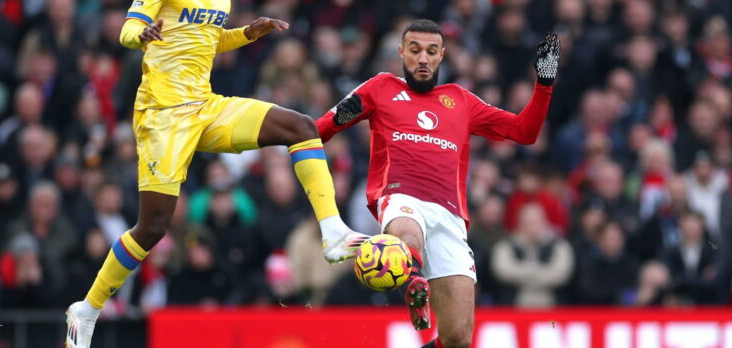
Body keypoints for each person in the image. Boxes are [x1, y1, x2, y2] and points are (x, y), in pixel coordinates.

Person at [64, 2, 368, 347]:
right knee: (152, 228)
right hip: (162, 116)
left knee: (301, 127)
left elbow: (206, 39)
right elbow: (126, 32)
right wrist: (143, 34)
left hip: (205, 106)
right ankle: (86, 310)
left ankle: (333, 231)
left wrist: (246, 35)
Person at [316, 19, 559, 348]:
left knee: (458, 338)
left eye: (431, 51)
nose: (423, 59)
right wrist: (337, 118)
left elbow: (524, 132)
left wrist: (544, 84)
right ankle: (414, 282)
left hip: (449, 215)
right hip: (399, 195)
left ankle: (417, 284)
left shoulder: (461, 100)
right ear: (402, 52)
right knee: (408, 232)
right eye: (414, 50)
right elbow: (319, 132)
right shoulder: (380, 87)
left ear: (442, 55)